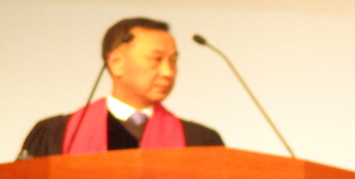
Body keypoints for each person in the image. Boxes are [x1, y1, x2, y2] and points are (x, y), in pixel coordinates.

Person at [17, 17, 223, 159]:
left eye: (173, 61)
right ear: (116, 62)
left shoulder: (201, 141)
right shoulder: (56, 133)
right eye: (156, 59)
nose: (168, 72)